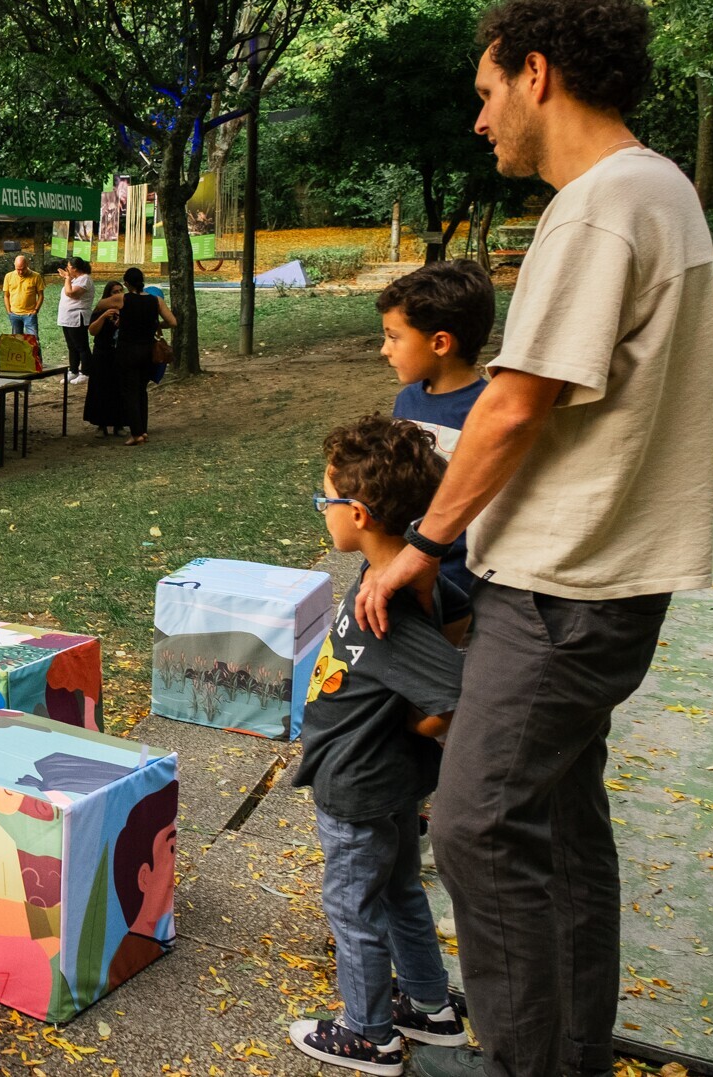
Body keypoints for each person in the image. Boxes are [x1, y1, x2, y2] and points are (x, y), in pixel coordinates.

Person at [357, 0, 713, 1077]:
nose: (478, 121)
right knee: (558, 825)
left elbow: (513, 402)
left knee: (470, 824)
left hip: (563, 588)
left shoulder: (601, 203)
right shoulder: (661, 190)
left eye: (484, 91)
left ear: (534, 72)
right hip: (602, 583)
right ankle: (569, 1049)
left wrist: (419, 546)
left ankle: (528, 1061)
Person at [291, 416, 471, 1074]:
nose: (322, 512)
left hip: (360, 785)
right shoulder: (395, 575)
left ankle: (367, 1031)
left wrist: (417, 726)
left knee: (351, 901)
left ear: (358, 513)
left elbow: (459, 694)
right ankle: (428, 1004)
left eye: (323, 501)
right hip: (384, 780)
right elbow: (460, 615)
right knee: (396, 888)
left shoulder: (386, 603)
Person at [378, 261, 496, 593]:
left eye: (394, 337)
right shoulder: (406, 402)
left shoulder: (486, 411)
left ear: (440, 343)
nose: (384, 350)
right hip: (399, 566)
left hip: (458, 582)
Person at [95, 267, 175, 446]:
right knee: (141, 391)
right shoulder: (156, 300)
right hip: (148, 352)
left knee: (129, 392)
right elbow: (172, 322)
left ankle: (136, 434)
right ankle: (143, 430)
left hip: (128, 352)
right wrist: (154, 324)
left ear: (127, 284)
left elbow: (101, 305)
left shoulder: (123, 298)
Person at [83, 281, 128, 436]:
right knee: (100, 388)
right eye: (114, 291)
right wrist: (103, 317)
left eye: (120, 291)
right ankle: (101, 425)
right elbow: (92, 331)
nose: (117, 294)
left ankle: (119, 425)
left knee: (119, 389)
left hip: (119, 354)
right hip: (102, 354)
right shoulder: (100, 309)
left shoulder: (126, 310)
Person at [56, 256, 93, 383]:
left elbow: (71, 293)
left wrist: (67, 278)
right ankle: (73, 370)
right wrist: (68, 278)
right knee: (71, 346)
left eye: (69, 267)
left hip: (77, 317)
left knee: (81, 346)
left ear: (75, 268)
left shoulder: (85, 279)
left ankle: (86, 372)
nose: (67, 269)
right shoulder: (76, 279)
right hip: (67, 317)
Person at [2, 254, 44, 337]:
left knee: (34, 341)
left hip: (30, 315)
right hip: (14, 314)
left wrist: (36, 310)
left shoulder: (36, 276)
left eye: (23, 269)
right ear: (14, 265)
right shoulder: (8, 276)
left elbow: (41, 295)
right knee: (17, 341)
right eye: (18, 269)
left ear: (27, 265)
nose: (20, 272)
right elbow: (6, 296)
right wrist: (9, 311)